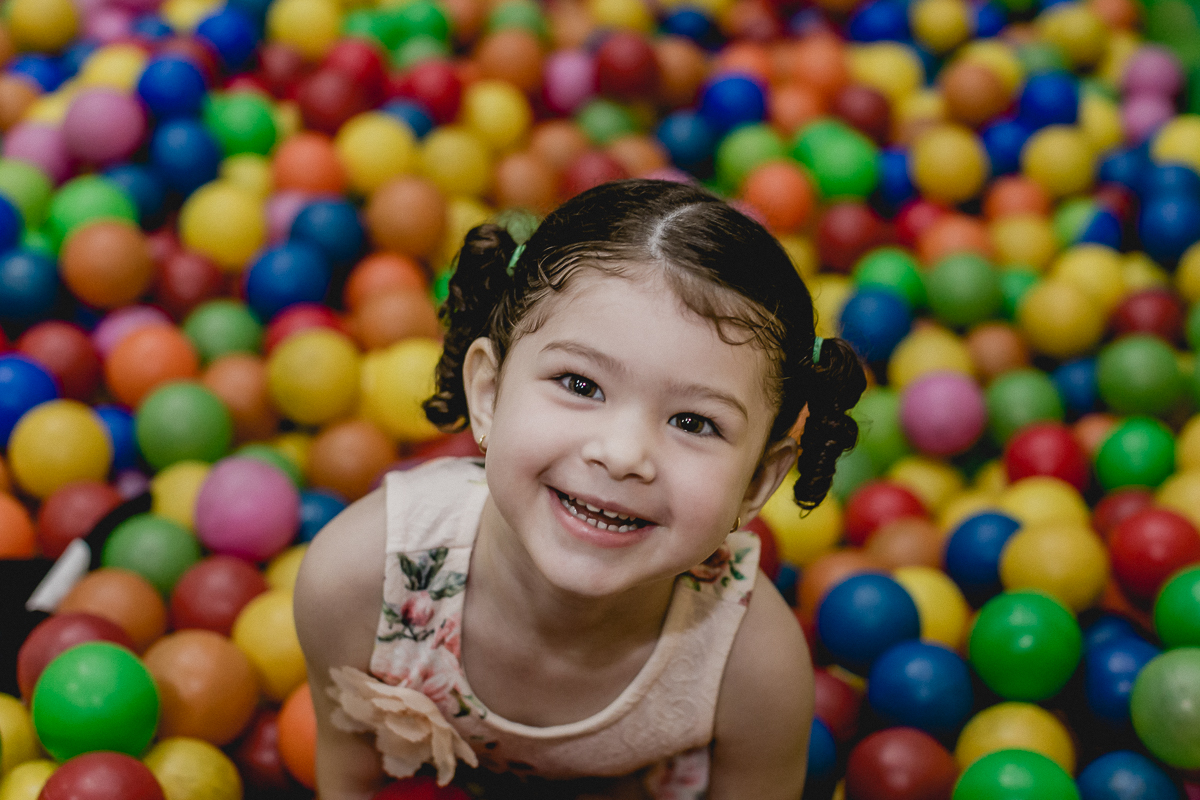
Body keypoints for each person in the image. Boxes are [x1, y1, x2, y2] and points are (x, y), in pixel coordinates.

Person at [295, 179, 867, 799]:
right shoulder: (359, 580)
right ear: (487, 395)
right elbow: (348, 778)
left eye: (694, 423)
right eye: (580, 384)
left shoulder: (754, 669)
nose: (623, 456)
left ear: (758, 480)